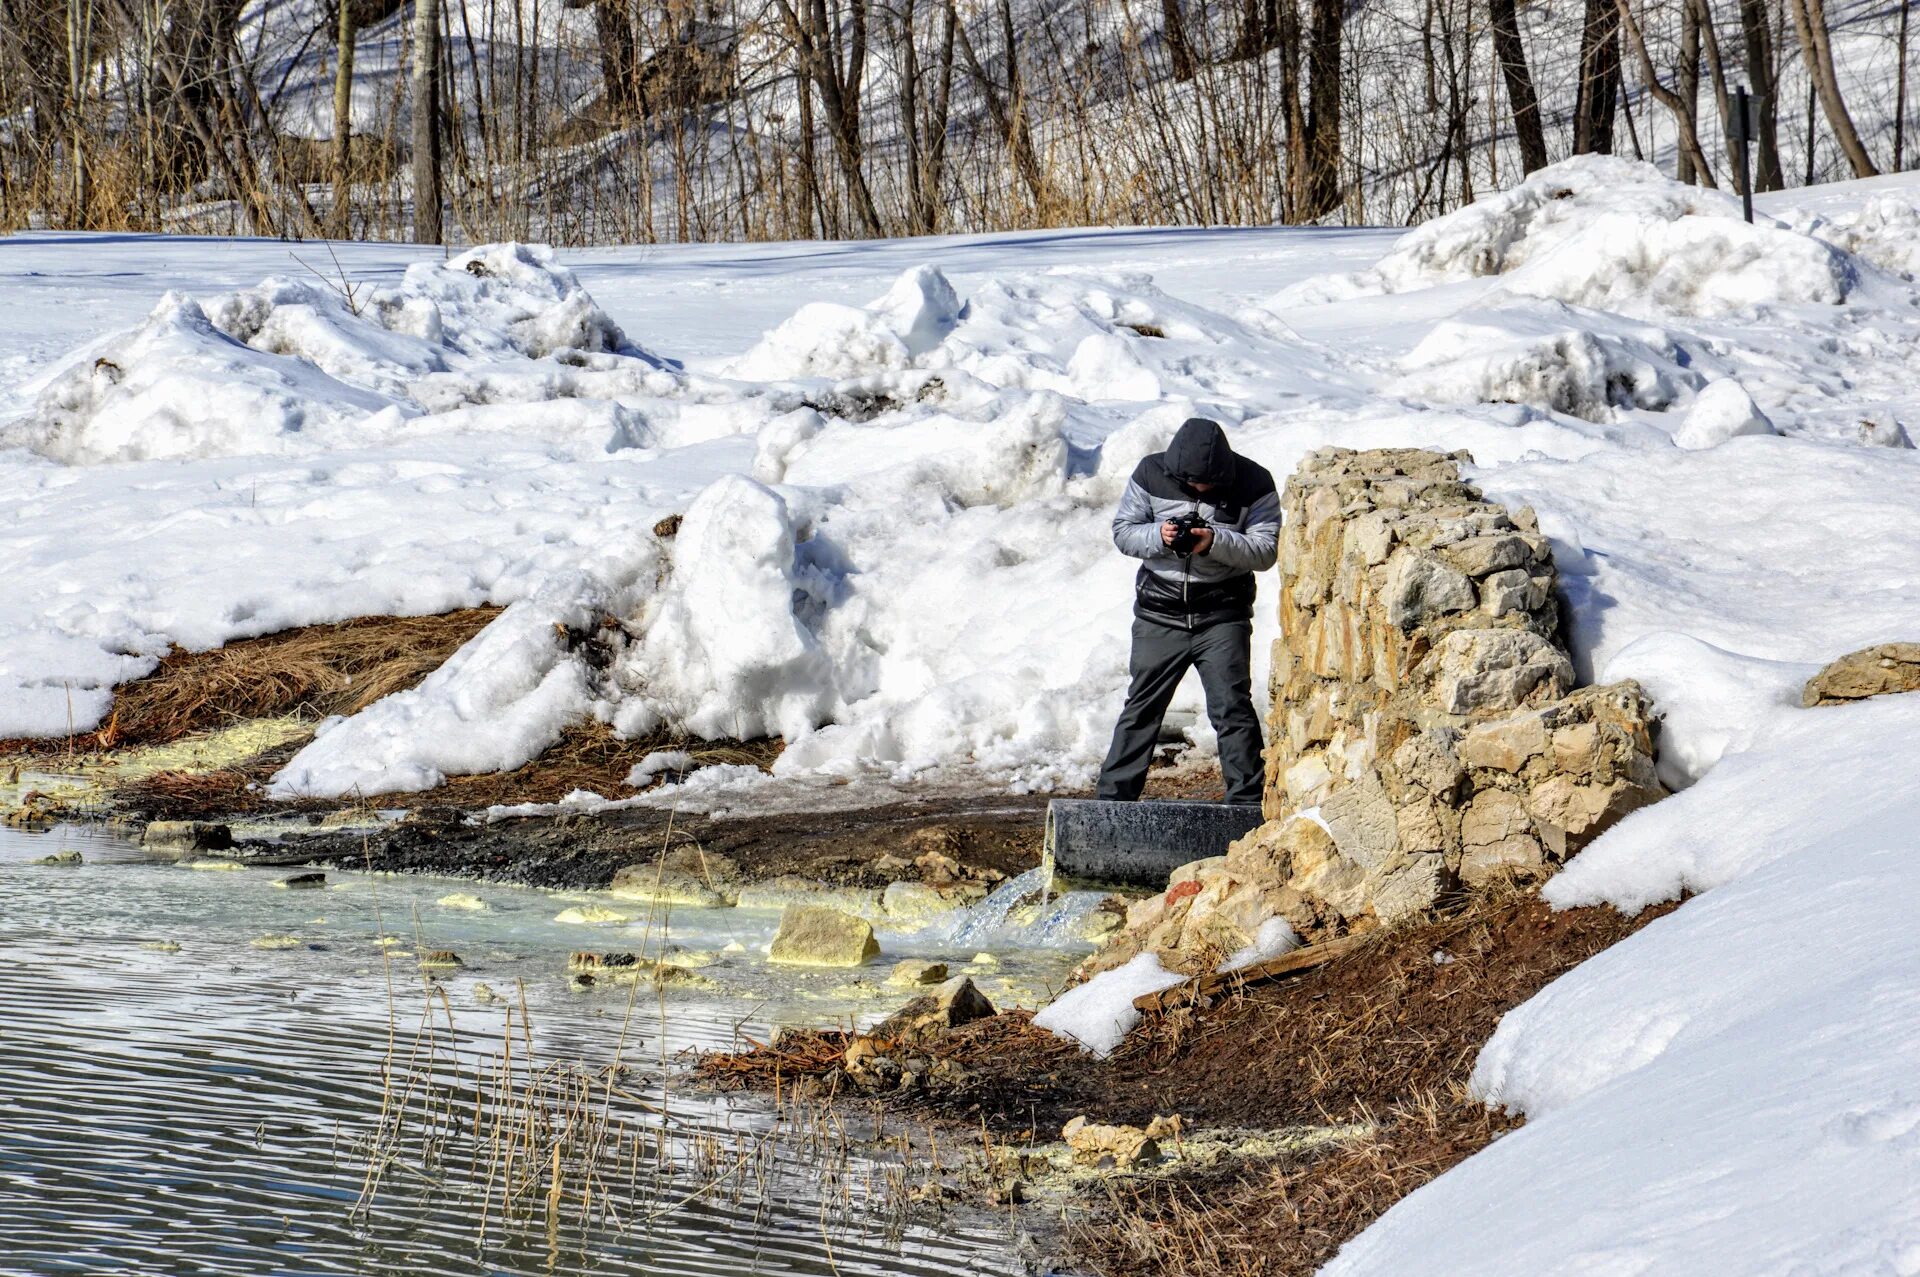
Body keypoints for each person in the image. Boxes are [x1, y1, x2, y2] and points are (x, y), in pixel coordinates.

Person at [1096, 417, 1280, 805]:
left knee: (1233, 709)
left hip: (1223, 616)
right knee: (1141, 710)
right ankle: (1111, 805)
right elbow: (1124, 531)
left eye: (1208, 485)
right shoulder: (1150, 471)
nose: (1200, 489)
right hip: (1158, 614)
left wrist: (1213, 541)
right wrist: (1159, 535)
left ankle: (1247, 807)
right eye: (1192, 484)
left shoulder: (1254, 482)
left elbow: (1265, 550)